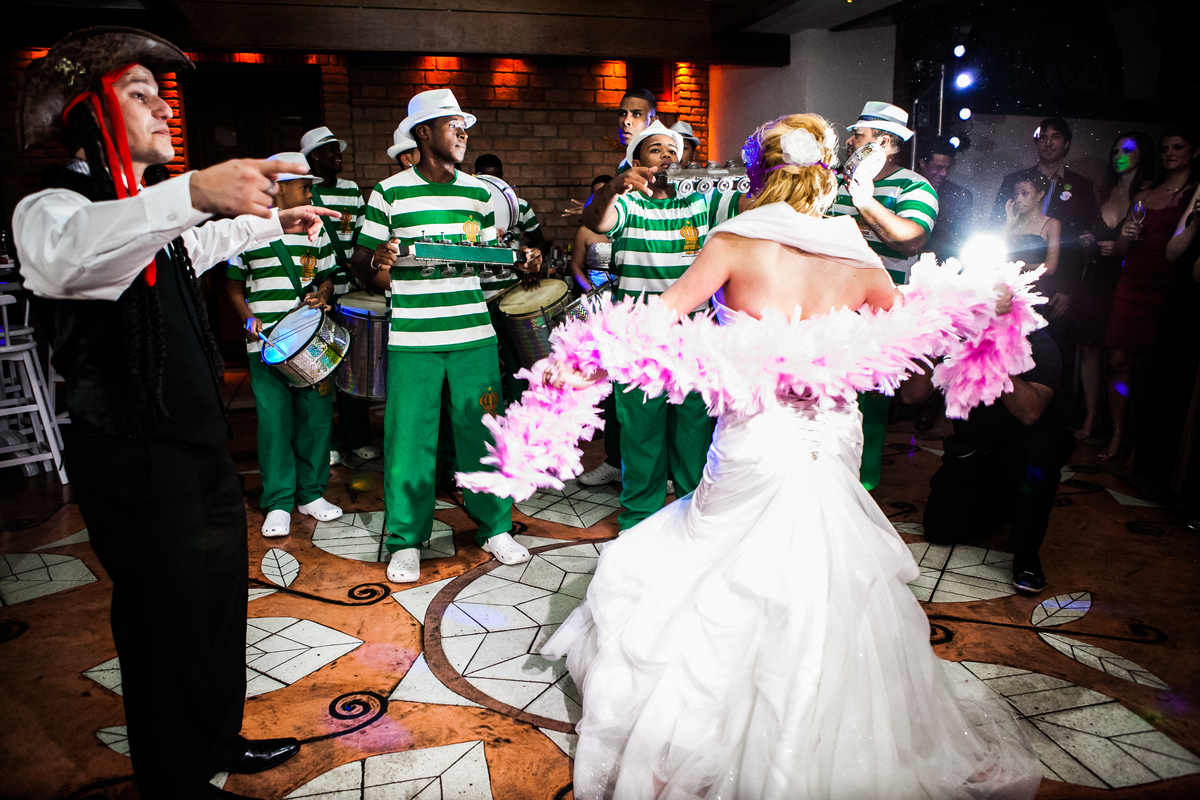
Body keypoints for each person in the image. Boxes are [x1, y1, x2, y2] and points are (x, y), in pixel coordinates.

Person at [540, 113, 1041, 799]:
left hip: (757, 439)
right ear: (826, 175)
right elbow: (913, 347)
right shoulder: (858, 254)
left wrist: (585, 365)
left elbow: (656, 323)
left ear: (757, 175)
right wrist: (980, 303)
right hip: (831, 437)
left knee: (727, 574)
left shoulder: (735, 241)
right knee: (827, 579)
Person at [12, 27, 340, 798]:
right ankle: (173, 775)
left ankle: (217, 738)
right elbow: (66, 258)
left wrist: (268, 223)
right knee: (162, 626)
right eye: (140, 95)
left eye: (163, 96)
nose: (164, 110)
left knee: (217, 605)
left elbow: (179, 252)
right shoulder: (53, 206)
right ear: (88, 115)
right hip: (132, 456)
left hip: (197, 447)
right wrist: (192, 191)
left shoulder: (144, 217)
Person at [351, 89, 542, 583]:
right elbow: (361, 263)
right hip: (413, 338)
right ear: (423, 133)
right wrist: (381, 261)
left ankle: (495, 525)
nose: (463, 133)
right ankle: (406, 540)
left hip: (473, 335)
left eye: (464, 126)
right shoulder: (389, 192)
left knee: (482, 431)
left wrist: (520, 261)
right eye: (453, 124)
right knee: (409, 440)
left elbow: (485, 259)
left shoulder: (478, 193)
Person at [580, 120, 743, 529]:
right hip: (638, 342)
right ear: (636, 161)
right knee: (641, 436)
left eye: (672, 150)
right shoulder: (627, 204)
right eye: (655, 150)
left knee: (693, 435)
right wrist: (613, 188)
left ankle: (692, 519)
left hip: (694, 340)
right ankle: (639, 521)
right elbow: (596, 223)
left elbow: (746, 207)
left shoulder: (703, 203)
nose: (667, 157)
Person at [226, 152, 344, 537]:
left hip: (308, 344)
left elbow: (327, 279)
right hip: (264, 346)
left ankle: (311, 494)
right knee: (274, 424)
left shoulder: (316, 230)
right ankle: (278, 501)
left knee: (315, 420)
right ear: (277, 188)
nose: (312, 193)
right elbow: (233, 286)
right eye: (305, 187)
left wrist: (322, 294)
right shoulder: (246, 227)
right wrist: (246, 317)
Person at [829, 101, 938, 490]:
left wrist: (865, 201)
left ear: (886, 143)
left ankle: (862, 490)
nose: (849, 140)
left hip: (880, 316)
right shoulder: (834, 182)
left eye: (859, 134)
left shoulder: (914, 185)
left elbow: (911, 239)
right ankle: (828, 489)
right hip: (832, 311)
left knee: (871, 410)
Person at [915, 326, 1075, 592]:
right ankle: (1002, 505)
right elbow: (913, 395)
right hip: (981, 453)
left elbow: (1030, 413)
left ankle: (1026, 553)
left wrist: (988, 352)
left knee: (1035, 459)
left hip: (1026, 453)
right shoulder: (955, 336)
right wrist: (932, 344)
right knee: (939, 528)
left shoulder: (1040, 344)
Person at [1102, 128, 1198, 461]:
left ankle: (1141, 442)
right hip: (1132, 282)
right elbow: (1122, 249)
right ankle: (1117, 434)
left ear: (1194, 152)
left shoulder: (1193, 197)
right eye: (1165, 148)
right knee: (1118, 361)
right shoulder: (1145, 194)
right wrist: (1126, 235)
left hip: (1168, 284)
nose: (1170, 152)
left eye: (1179, 146)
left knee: (1152, 367)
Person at [300, 125, 380, 465]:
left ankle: (356, 437)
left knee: (352, 368)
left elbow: (364, 237)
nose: (339, 154)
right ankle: (327, 441)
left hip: (350, 296)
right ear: (314, 156)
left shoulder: (350, 190)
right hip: (315, 294)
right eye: (331, 149)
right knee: (318, 369)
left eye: (338, 149)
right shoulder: (305, 194)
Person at [1071, 132, 1155, 440]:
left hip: (1126, 281)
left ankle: (1118, 427)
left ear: (1142, 155)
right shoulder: (1100, 191)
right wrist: (1087, 242)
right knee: (1090, 351)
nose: (1119, 154)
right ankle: (1091, 416)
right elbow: (1084, 234)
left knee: (1120, 359)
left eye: (1128, 150)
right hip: (1094, 279)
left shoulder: (1149, 193)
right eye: (1115, 149)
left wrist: (1122, 249)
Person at [993, 118, 1097, 328]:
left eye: (1055, 137)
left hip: (1056, 286)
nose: (1048, 143)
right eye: (1043, 138)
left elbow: (1079, 243)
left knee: (1051, 349)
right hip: (1012, 283)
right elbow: (995, 225)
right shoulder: (1015, 181)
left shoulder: (1081, 186)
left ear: (1066, 143)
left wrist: (1069, 289)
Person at [569, 174, 622, 487]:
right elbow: (575, 268)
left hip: (624, 309)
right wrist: (592, 293)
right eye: (595, 196)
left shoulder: (629, 225)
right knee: (584, 368)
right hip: (587, 304)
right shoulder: (585, 230)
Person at [917, 134, 972, 260]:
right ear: (922, 163)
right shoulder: (905, 187)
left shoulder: (961, 196)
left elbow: (962, 238)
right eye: (938, 167)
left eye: (947, 168)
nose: (943, 173)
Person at [1003, 173, 1061, 279]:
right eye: (1016, 194)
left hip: (1035, 287)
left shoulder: (1051, 224)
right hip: (1007, 284)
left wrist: (1017, 267)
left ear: (1040, 195)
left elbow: (1051, 267)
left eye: (1024, 193)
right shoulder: (1012, 222)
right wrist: (1009, 224)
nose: (1018, 199)